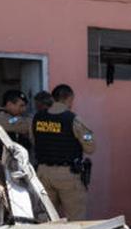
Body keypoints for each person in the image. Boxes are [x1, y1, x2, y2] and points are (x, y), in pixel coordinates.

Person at [32, 83, 95, 220]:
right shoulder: (72, 119)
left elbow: (34, 140)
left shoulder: (37, 118)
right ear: (69, 98)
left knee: (46, 219)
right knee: (75, 219)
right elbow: (90, 147)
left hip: (43, 173)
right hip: (67, 175)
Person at [0, 90, 32, 159]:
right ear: (9, 104)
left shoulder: (12, 117)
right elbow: (20, 125)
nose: (23, 109)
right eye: (21, 106)